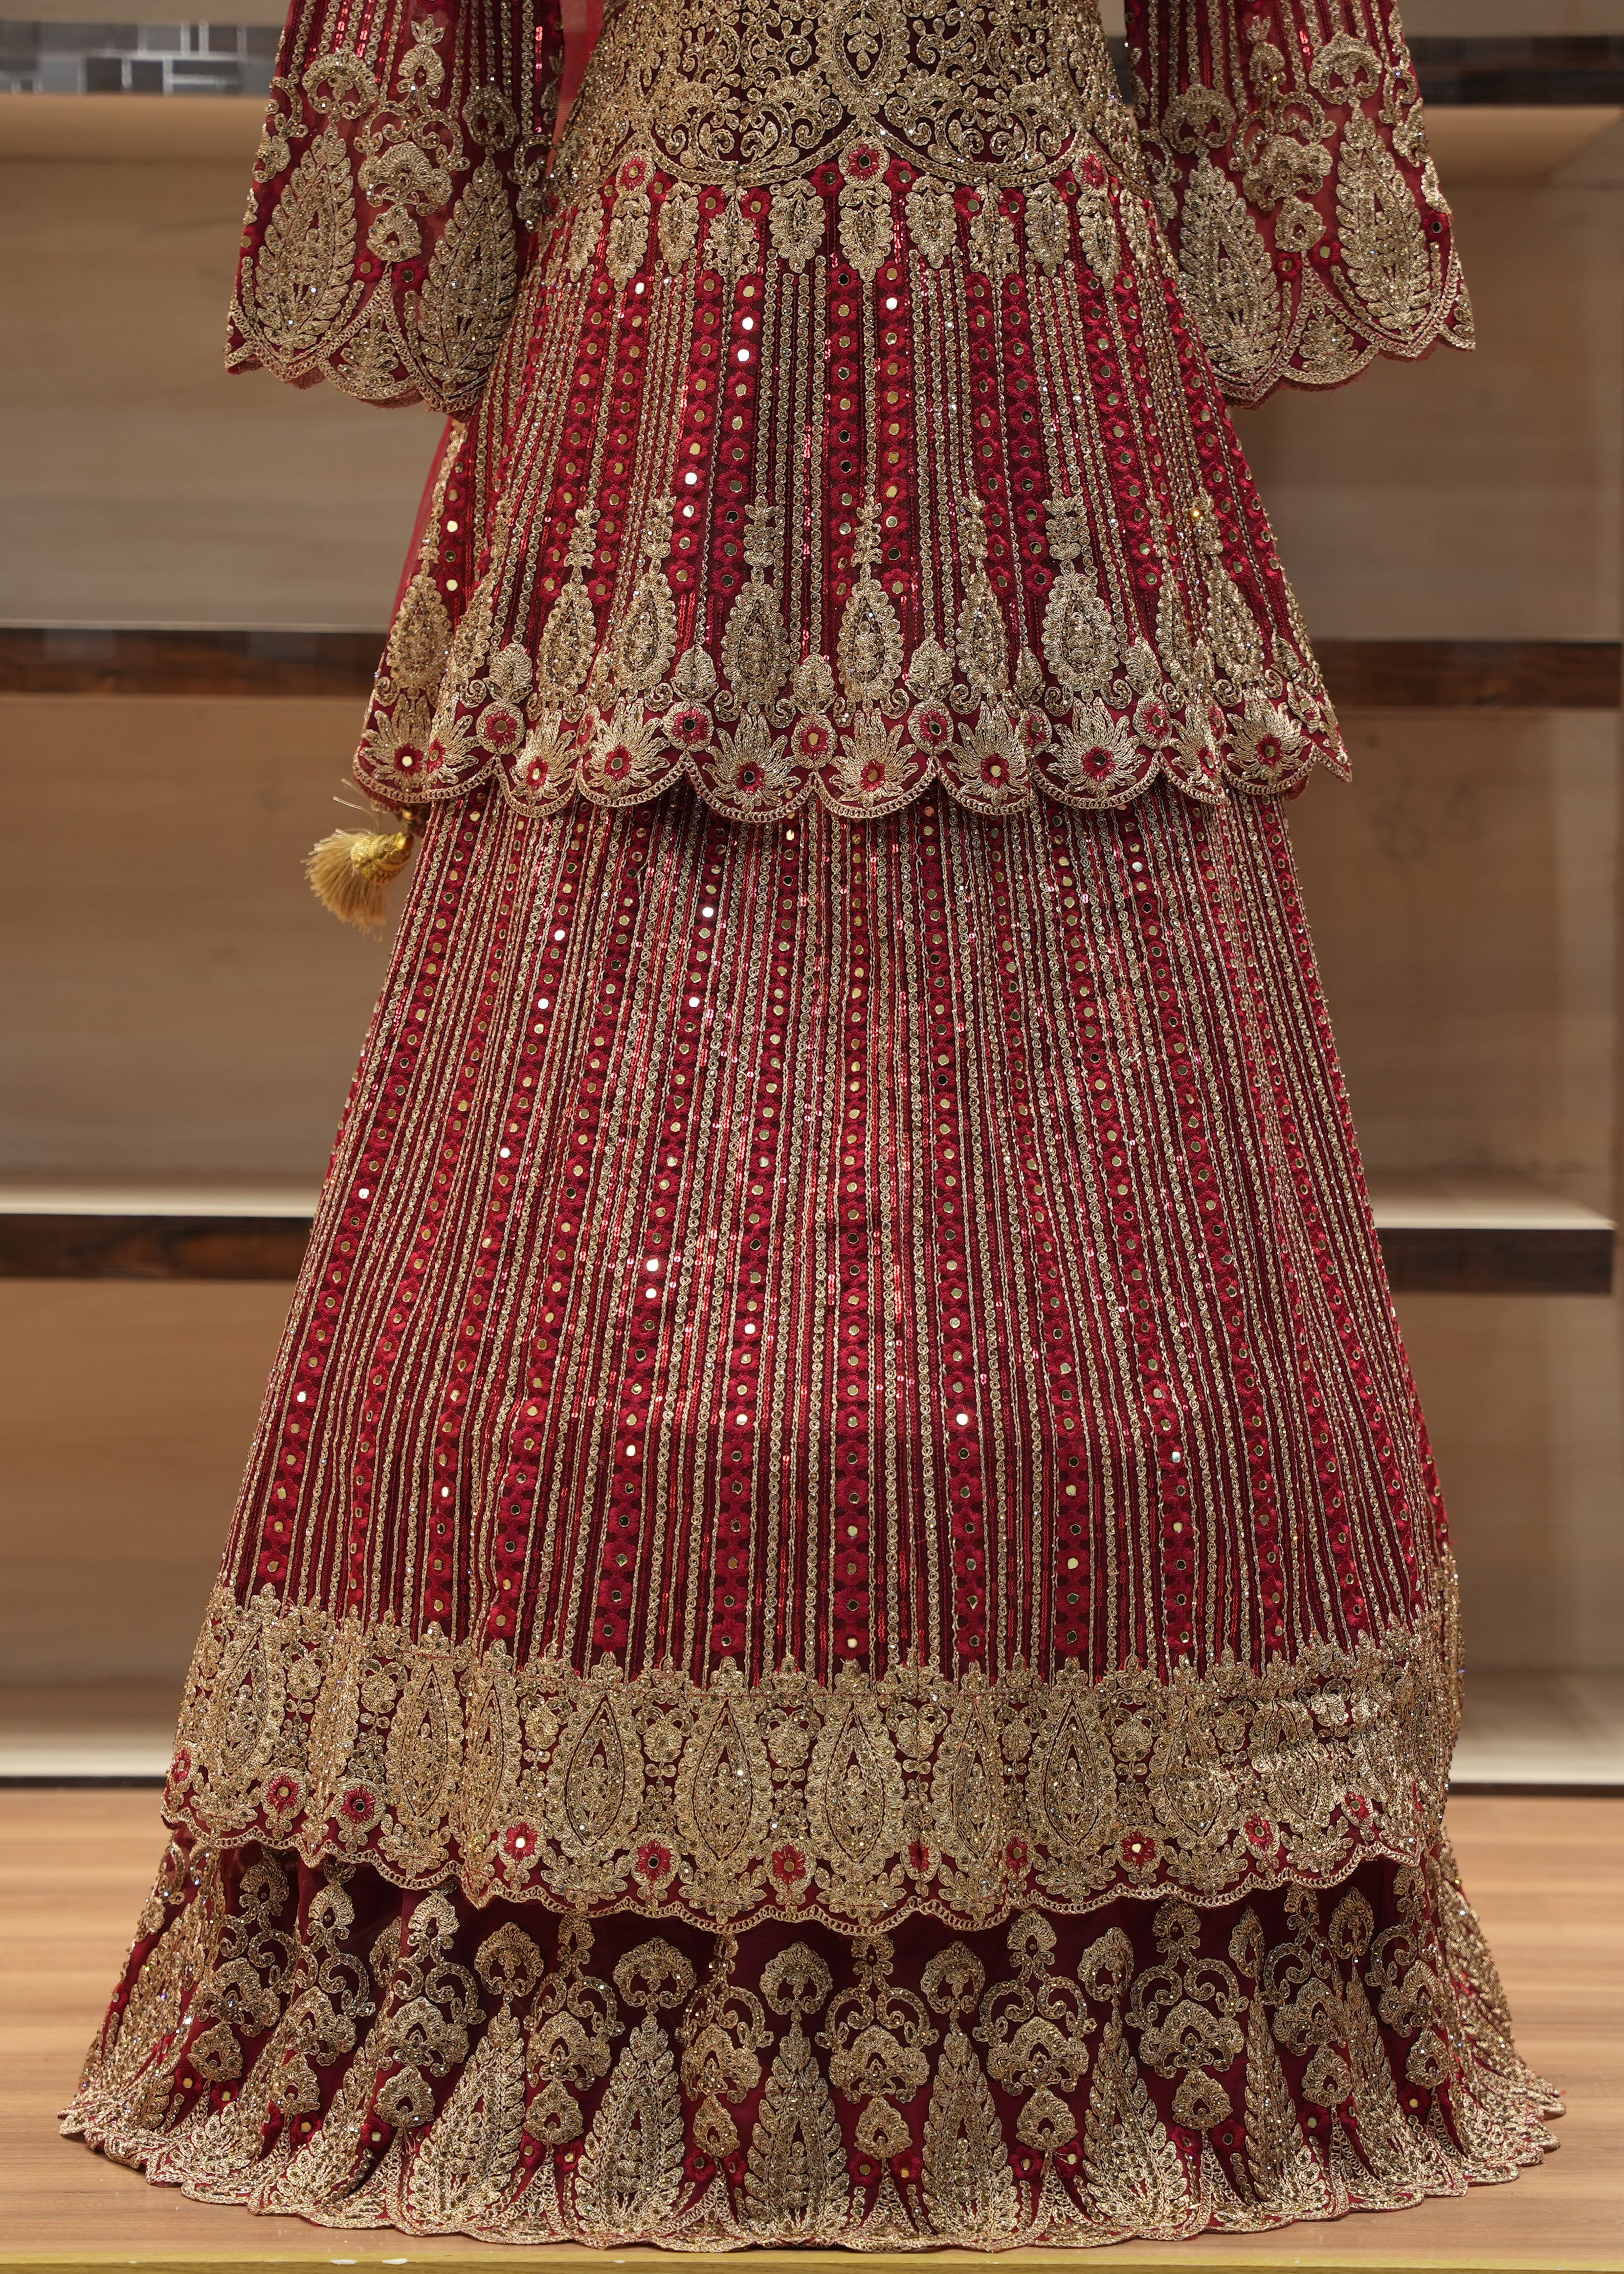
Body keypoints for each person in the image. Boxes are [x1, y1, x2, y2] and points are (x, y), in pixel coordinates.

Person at [65, 0, 1560, 2245]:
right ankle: (538, 1932)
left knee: (1089, 1119)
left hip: (1008, 359)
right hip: (695, 344)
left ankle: (1166, 1938)